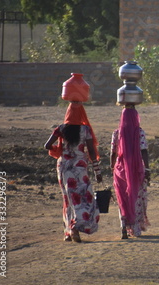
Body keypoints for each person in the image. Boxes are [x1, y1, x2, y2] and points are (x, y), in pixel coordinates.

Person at [44, 101, 101, 243]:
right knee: (83, 197)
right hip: (80, 167)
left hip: (64, 167)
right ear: (81, 113)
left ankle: (68, 232)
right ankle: (75, 227)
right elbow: (92, 151)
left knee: (68, 198)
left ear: (68, 113)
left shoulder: (61, 129)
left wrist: (59, 150)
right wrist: (97, 170)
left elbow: (47, 145)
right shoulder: (85, 130)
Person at [110, 105, 150, 239]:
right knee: (135, 198)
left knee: (123, 199)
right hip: (136, 170)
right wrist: (147, 168)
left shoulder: (116, 133)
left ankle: (123, 229)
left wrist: (112, 167)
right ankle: (136, 229)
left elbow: (113, 153)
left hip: (120, 171)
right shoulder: (140, 132)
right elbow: (144, 151)